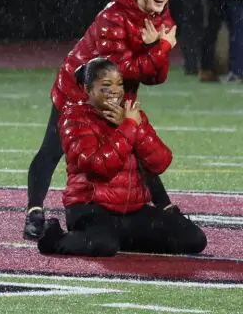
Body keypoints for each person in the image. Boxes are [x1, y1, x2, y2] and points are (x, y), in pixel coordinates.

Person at [23, 0, 180, 240]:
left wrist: (156, 47)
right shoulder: (114, 17)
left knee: (134, 145)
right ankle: (34, 212)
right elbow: (121, 69)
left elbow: (156, 77)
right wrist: (162, 47)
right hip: (80, 90)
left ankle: (166, 207)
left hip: (117, 91)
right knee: (53, 147)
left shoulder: (160, 18)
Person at [37, 57, 207, 257]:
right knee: (103, 245)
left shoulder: (133, 116)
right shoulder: (74, 119)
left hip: (131, 210)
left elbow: (161, 161)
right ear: (87, 90)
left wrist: (137, 128)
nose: (116, 90)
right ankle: (54, 238)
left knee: (193, 239)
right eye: (106, 85)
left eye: (119, 84)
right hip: (90, 208)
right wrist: (128, 128)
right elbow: (99, 167)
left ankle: (117, 238)